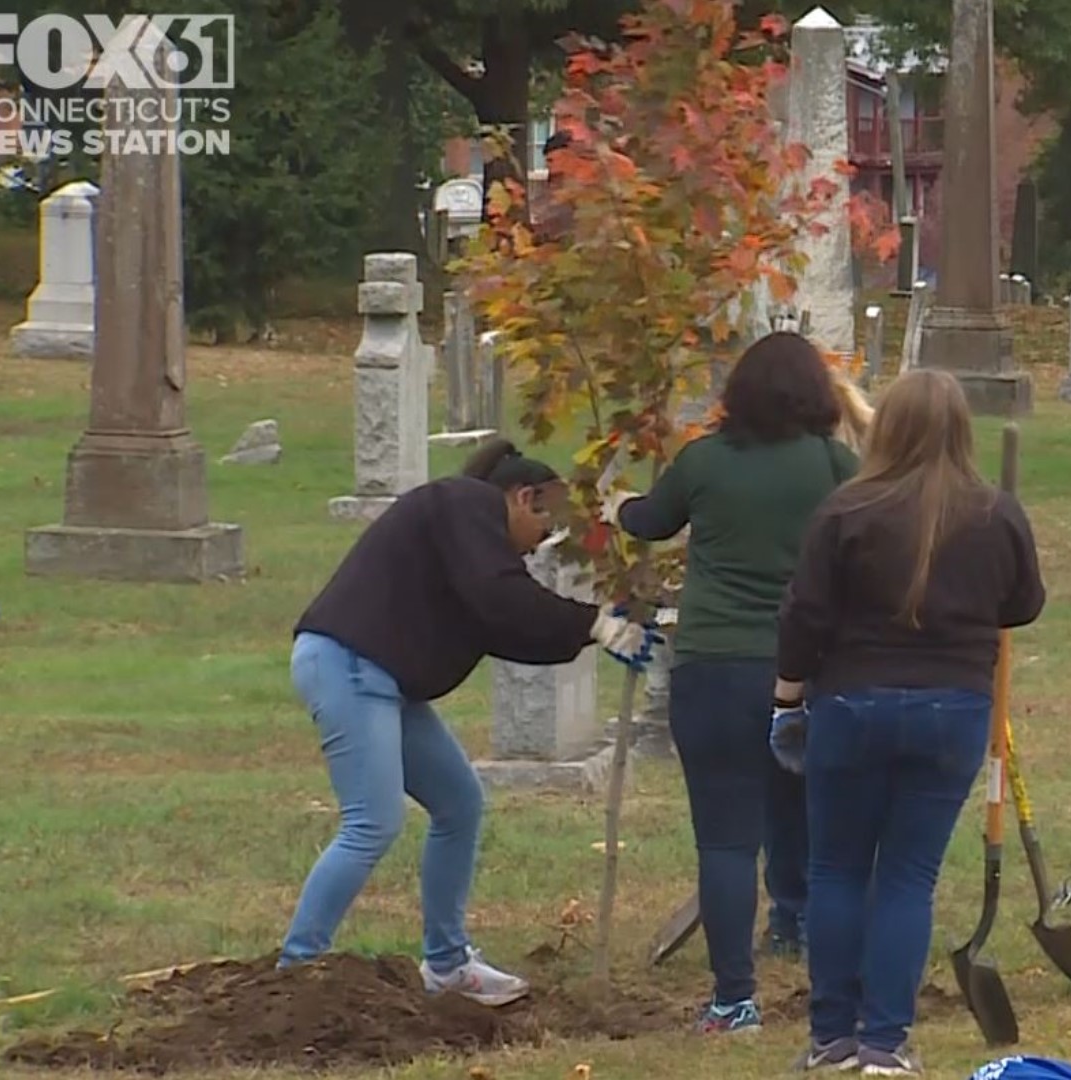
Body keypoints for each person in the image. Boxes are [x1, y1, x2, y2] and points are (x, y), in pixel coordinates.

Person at [279, 439, 654, 1005]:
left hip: (384, 681)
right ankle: (296, 971)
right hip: (350, 665)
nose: (538, 548)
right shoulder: (465, 503)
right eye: (545, 526)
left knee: (460, 802)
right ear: (522, 497)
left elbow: (511, 629)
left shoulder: (468, 545)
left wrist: (591, 632)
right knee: (373, 822)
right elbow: (503, 599)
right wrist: (595, 624)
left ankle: (449, 966)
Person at [774, 368, 1047, 1076]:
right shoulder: (997, 513)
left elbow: (805, 617)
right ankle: (885, 1042)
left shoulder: (844, 511)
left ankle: (832, 1036)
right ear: (963, 431)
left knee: (834, 869)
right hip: (953, 708)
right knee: (906, 877)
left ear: (883, 427)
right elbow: (1024, 604)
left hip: (851, 703)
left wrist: (785, 699)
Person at [607, 331, 860, 1034]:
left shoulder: (704, 463)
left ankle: (734, 999)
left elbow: (650, 522)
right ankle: (799, 925)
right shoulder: (833, 465)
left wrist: (615, 504)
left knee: (724, 839)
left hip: (714, 667)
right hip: (805, 669)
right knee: (803, 806)